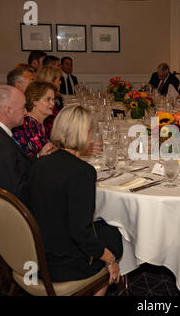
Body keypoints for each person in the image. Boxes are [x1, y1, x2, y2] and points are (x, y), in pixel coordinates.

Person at [25, 104, 123, 295]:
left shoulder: (41, 162)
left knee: (106, 229)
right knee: (115, 240)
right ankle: (97, 283)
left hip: (35, 251)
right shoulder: (82, 172)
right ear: (85, 133)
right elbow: (80, 232)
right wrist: (110, 259)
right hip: (61, 263)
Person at [0, 86, 53, 200]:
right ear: (8, 110)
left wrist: (38, 157)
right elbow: (17, 193)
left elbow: (17, 166)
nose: (26, 112)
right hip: (19, 208)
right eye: (23, 107)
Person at [12, 82, 58, 158]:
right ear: (34, 101)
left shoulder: (38, 123)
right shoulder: (27, 126)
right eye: (48, 99)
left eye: (53, 99)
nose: (52, 103)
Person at [37, 66, 63, 136]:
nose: (60, 82)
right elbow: (51, 131)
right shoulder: (45, 102)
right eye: (59, 80)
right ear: (51, 82)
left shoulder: (51, 97)